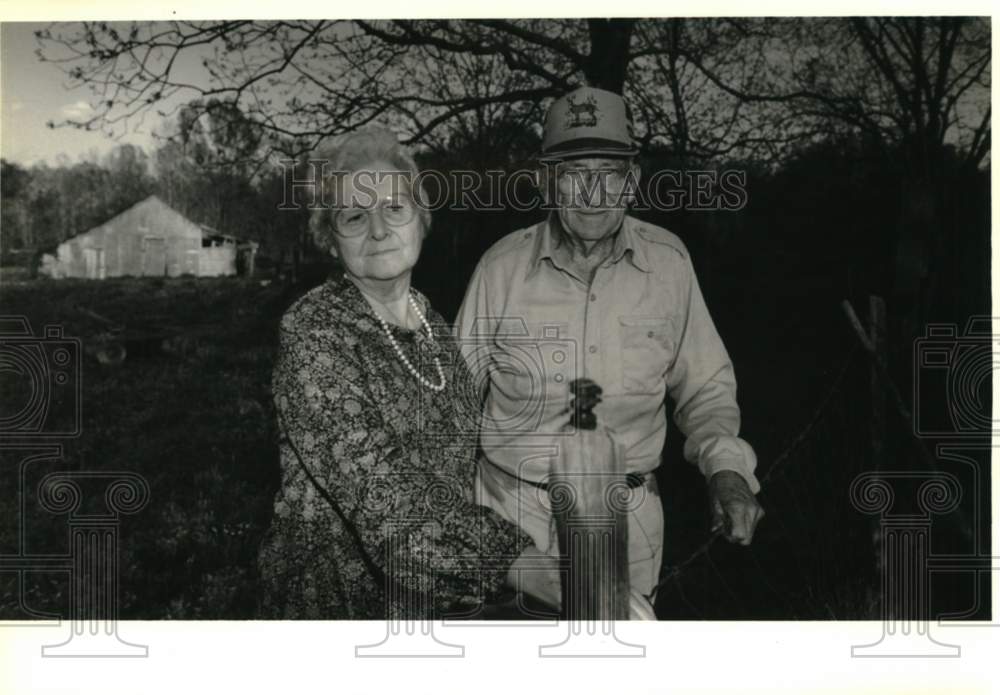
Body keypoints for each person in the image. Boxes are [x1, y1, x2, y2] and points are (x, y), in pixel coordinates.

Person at [454, 86, 766, 604]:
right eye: (575, 172)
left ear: (632, 181)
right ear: (547, 181)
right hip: (512, 522)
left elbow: (706, 389)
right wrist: (453, 529)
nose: (592, 192)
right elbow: (452, 403)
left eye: (610, 172)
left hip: (629, 522)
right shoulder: (500, 268)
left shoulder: (669, 264)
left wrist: (727, 470)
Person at [257, 128, 560, 619]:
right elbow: (381, 492)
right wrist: (517, 562)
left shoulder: (432, 323)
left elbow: (463, 464)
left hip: (438, 603)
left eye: (394, 208)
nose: (378, 230)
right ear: (330, 240)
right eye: (354, 216)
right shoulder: (314, 330)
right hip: (341, 609)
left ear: (421, 218)